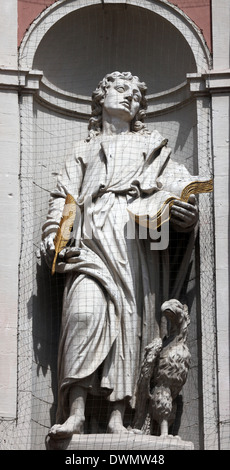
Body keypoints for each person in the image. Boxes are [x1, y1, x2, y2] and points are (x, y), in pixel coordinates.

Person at [41, 71, 198, 439]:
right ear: (101, 97)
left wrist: (187, 218)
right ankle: (75, 411)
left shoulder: (155, 146)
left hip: (134, 246)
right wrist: (54, 236)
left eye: (136, 96)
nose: (129, 98)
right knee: (83, 314)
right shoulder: (82, 150)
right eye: (120, 89)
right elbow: (63, 200)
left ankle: (118, 417)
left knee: (131, 326)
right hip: (88, 247)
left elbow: (178, 191)